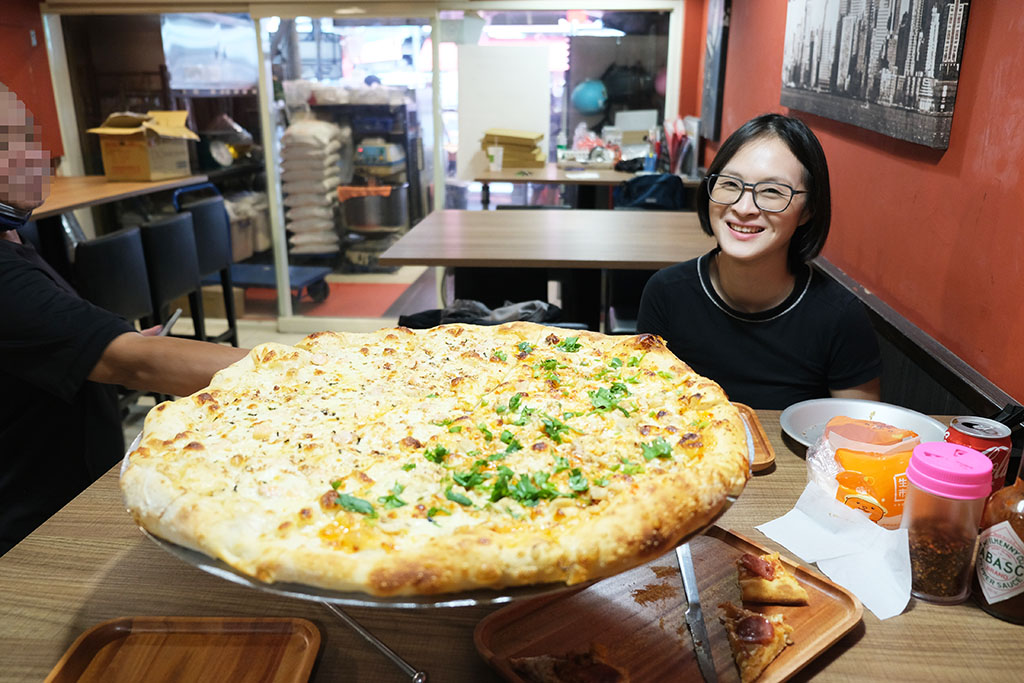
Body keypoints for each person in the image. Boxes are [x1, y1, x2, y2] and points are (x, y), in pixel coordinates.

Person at [0, 84, 249, 554]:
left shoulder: (13, 238)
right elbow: (134, 364)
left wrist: (105, 339)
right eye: (9, 142)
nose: (38, 155)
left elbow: (56, 343)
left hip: (75, 482)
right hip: (36, 524)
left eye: (30, 136)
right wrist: (327, 372)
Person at [636, 113, 881, 409]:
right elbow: (646, 408)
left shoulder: (840, 317)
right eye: (730, 184)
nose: (743, 207)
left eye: (772, 191)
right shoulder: (666, 293)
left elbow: (859, 434)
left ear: (808, 210)